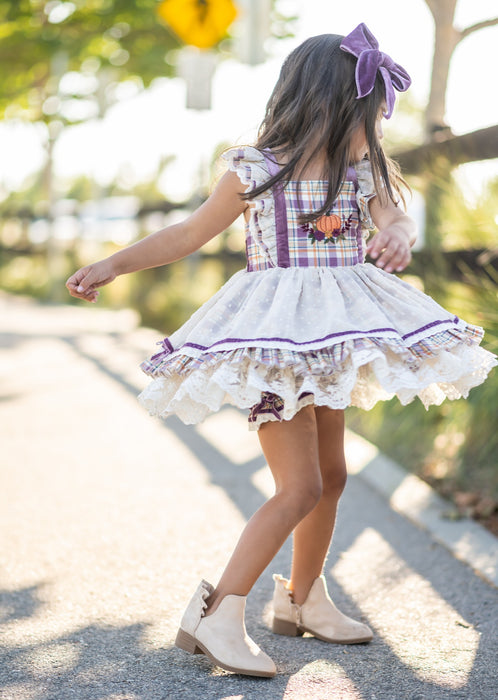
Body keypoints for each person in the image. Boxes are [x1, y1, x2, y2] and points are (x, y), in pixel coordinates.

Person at [66, 23, 496, 678]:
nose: (375, 131)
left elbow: (396, 218)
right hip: (273, 346)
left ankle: (302, 600)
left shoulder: (361, 171)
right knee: (297, 487)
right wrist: (112, 265)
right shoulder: (254, 170)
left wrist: (401, 236)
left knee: (334, 476)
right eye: (369, 116)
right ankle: (218, 612)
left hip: (330, 343)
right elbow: (187, 234)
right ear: (328, 103)